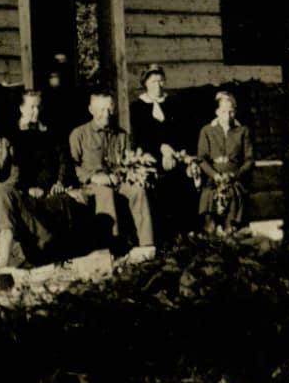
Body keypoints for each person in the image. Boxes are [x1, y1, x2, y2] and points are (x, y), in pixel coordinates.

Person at [65, 91, 157, 260]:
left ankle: (146, 246)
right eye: (100, 110)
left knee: (138, 190)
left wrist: (132, 174)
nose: (105, 114)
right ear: (91, 110)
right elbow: (73, 167)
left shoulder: (121, 135)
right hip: (91, 185)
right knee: (105, 193)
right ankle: (111, 247)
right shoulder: (79, 135)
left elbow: (129, 161)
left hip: (117, 181)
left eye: (109, 109)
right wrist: (93, 177)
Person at [130, 64, 191, 240]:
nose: (158, 85)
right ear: (146, 83)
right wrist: (161, 149)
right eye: (153, 81)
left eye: (160, 80)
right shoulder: (138, 107)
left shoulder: (172, 104)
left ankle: (183, 232)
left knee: (181, 177)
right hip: (150, 156)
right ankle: (162, 235)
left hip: (174, 154)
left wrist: (172, 152)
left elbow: (181, 131)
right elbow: (141, 137)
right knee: (157, 183)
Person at [197, 90, 255, 234]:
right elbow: (201, 158)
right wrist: (214, 175)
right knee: (209, 194)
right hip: (213, 178)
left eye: (231, 112)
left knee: (233, 192)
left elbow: (249, 159)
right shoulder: (207, 131)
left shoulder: (242, 131)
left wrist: (235, 174)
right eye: (223, 112)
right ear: (217, 111)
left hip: (234, 178)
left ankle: (231, 229)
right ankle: (210, 230)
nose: (228, 116)